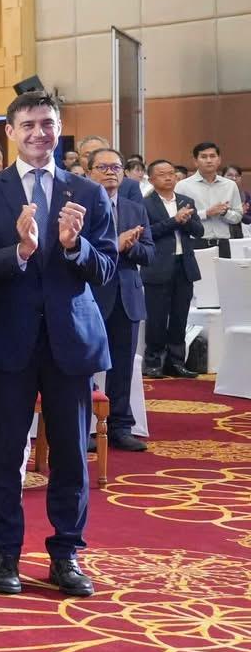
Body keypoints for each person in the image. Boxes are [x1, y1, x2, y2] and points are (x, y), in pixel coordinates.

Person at [0, 90, 116, 599]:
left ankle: (66, 553)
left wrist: (76, 247)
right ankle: (5, 554)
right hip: (8, 338)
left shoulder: (87, 192)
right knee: (3, 453)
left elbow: (107, 267)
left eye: (47, 123)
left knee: (71, 453)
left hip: (70, 340)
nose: (38, 133)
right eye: (27, 124)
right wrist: (21, 251)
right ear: (10, 131)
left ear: (58, 129)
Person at [88, 147, 152, 451]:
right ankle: (84, 426)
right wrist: (115, 243)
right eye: (102, 167)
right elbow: (73, 251)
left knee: (122, 366)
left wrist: (129, 246)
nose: (110, 172)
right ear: (89, 173)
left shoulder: (134, 209)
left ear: (123, 174)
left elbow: (149, 253)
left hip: (127, 294)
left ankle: (120, 426)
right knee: (84, 364)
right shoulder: (79, 206)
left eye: (115, 167)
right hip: (89, 295)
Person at [142, 159, 202, 380]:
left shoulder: (186, 201)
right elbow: (147, 233)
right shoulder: (144, 204)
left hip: (184, 265)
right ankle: (153, 362)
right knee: (156, 318)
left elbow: (199, 231)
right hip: (157, 266)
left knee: (179, 316)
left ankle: (176, 362)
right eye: (162, 174)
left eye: (171, 173)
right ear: (151, 179)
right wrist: (175, 220)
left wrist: (186, 221)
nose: (169, 177)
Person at [183, 142, 242, 248]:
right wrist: (206, 213)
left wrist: (225, 213)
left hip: (224, 243)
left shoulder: (230, 185)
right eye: (204, 157)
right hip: (196, 243)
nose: (209, 160)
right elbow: (179, 218)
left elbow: (238, 216)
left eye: (212, 156)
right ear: (195, 161)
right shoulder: (183, 185)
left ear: (219, 160)